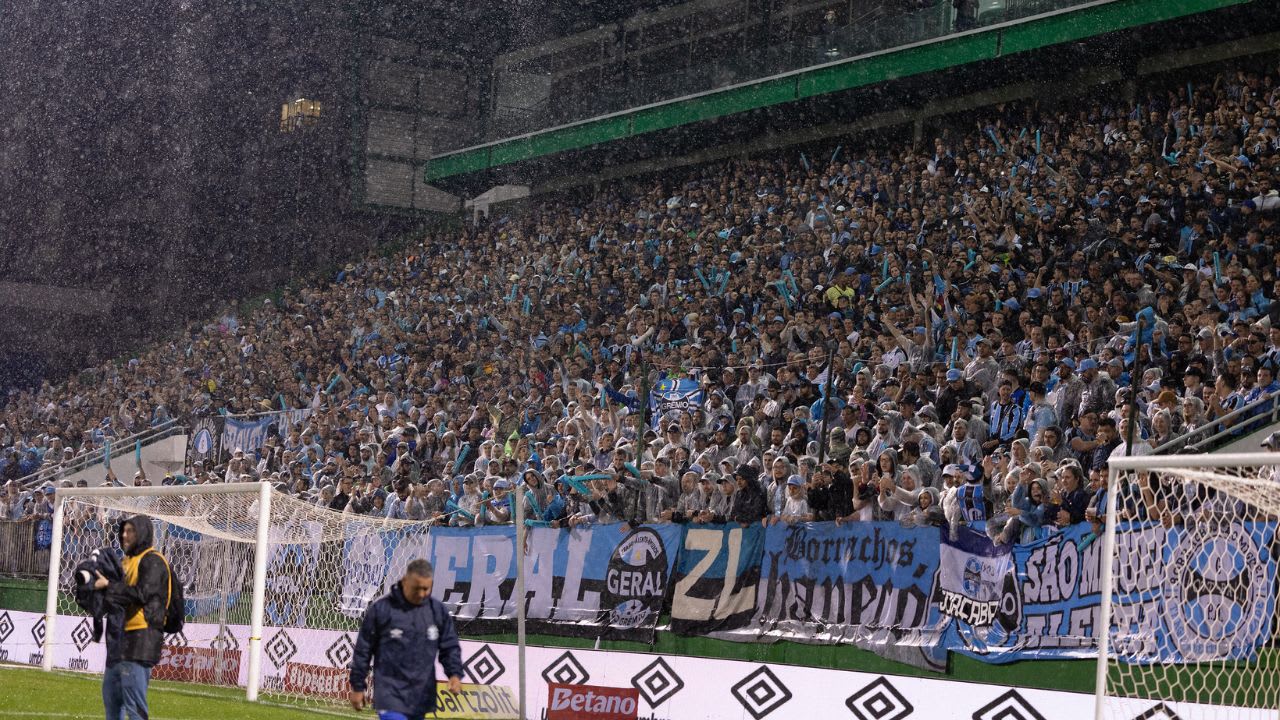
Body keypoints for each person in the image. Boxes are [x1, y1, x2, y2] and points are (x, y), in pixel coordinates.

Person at [349, 559, 464, 720]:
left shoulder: (437, 612)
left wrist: (454, 674)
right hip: (390, 692)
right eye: (417, 588)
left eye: (426, 589)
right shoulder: (382, 610)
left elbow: (449, 646)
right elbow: (363, 650)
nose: (422, 593)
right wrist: (357, 685)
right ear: (405, 581)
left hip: (421, 693)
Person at [92, 515, 171, 720]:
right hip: (118, 639)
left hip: (140, 639)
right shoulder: (124, 561)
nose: (125, 535)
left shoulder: (153, 560)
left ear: (143, 533)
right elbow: (117, 599)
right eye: (124, 531)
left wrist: (109, 585)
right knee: (111, 699)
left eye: (131, 531)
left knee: (134, 705)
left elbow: (142, 594)